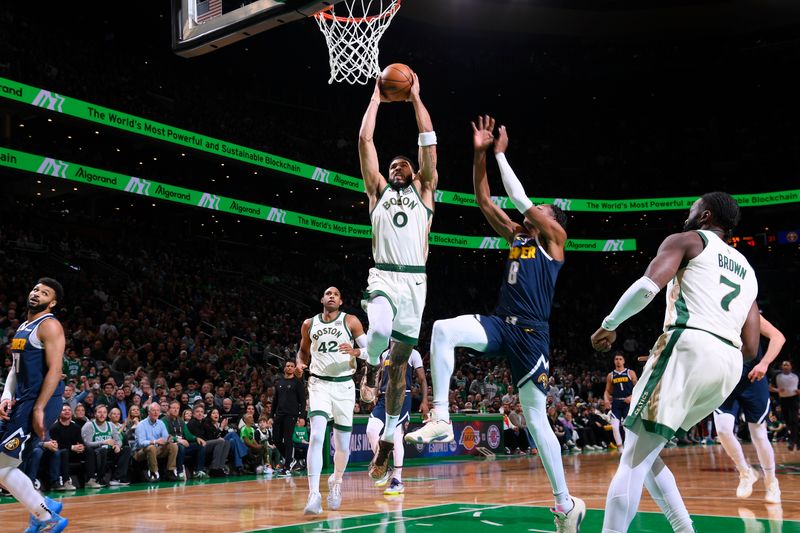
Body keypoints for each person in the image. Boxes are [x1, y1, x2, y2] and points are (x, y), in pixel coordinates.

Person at [404, 117, 583, 532]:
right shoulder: (518, 237)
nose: (532, 209)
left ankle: (565, 503)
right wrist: (479, 154)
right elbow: (485, 200)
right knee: (444, 329)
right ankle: (442, 418)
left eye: (539, 209)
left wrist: (501, 153)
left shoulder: (555, 240)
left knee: (536, 422)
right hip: (502, 323)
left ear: (551, 219)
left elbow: (519, 198)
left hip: (533, 336)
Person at [590, 191, 761, 533]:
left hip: (689, 344)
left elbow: (647, 286)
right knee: (647, 452)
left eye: (693, 209)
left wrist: (609, 325)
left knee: (633, 459)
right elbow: (752, 346)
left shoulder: (689, 240)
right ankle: (685, 529)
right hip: (728, 365)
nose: (689, 213)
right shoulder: (748, 270)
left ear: (705, 216)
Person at [356, 71, 438, 481]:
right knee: (379, 328)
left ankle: (388, 439)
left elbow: (428, 142)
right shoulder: (378, 192)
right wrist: (375, 98)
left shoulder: (426, 193)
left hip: (416, 283)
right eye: (394, 165)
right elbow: (365, 142)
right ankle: (370, 367)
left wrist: (416, 99)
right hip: (384, 276)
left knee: (401, 367)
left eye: (404, 163)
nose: (398, 166)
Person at [0, 278, 69, 531]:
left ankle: (46, 517)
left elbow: (55, 369)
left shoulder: (50, 325)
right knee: (4, 465)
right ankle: (42, 507)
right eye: (36, 289)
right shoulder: (23, 327)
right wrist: (6, 396)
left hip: (42, 401)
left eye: (44, 292)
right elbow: (15, 369)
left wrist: (39, 408)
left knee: (1, 466)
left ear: (52, 302)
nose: (37, 293)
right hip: (23, 401)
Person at [295, 286, 367, 515]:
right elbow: (303, 352)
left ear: (341, 300)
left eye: (336, 294)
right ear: (322, 299)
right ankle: (313, 494)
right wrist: (299, 364)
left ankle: (336, 482)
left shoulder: (351, 321)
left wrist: (356, 353)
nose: (332, 296)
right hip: (318, 384)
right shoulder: (309, 324)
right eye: (328, 293)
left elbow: (373, 352)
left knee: (343, 445)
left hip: (345, 385)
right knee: (316, 435)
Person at [713, 315, 784, 503]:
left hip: (753, 379)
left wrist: (765, 363)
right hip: (727, 379)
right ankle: (745, 472)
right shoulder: (712, 313)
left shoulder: (748, 312)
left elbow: (778, 337)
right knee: (722, 430)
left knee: (759, 435)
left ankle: (771, 481)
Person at [367, 347, 427, 496]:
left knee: (396, 438)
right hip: (384, 397)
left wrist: (425, 400)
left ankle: (397, 480)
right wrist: (375, 391)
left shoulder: (413, 353)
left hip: (403, 396)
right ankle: (384, 466)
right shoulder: (384, 353)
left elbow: (422, 379)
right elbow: (381, 376)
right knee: (371, 430)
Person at [81, 403, 130, 487]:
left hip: (109, 452)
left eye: (104, 412)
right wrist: (103, 442)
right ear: (95, 414)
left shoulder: (110, 425)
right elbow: (87, 443)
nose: (102, 415)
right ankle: (99, 478)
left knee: (126, 449)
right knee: (102, 450)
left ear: (107, 414)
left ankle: (116, 478)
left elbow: (118, 440)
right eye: (99, 412)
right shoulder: (89, 425)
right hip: (95, 452)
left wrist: (117, 445)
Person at [273, 360, 305, 475]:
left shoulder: (297, 382)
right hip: (279, 414)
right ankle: (290, 459)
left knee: (287, 440)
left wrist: (302, 416)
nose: (290, 368)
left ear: (294, 368)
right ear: (284, 368)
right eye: (288, 366)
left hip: (291, 415)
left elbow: (302, 400)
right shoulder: (279, 382)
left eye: (292, 366)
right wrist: (271, 415)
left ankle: (287, 466)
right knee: (276, 439)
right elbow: (275, 401)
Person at [134, 402, 179, 482]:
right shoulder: (141, 424)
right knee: (151, 447)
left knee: (173, 446)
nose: (156, 412)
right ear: (148, 412)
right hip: (140, 452)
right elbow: (141, 443)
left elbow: (165, 438)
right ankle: (154, 472)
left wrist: (168, 440)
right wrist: (155, 441)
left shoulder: (161, 423)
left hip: (157, 449)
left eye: (158, 410)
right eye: (153, 410)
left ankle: (170, 471)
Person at [604, 352, 637, 451]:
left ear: (624, 361)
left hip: (628, 403)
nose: (618, 361)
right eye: (616, 359)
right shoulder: (611, 375)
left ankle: (629, 448)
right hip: (616, 403)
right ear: (614, 361)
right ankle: (620, 449)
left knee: (627, 428)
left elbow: (638, 388)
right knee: (614, 427)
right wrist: (606, 400)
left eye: (620, 359)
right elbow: (607, 391)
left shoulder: (630, 373)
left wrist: (631, 396)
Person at [771, 360, 799, 451]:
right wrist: (777, 390)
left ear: (791, 366)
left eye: (787, 365)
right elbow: (769, 387)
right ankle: (797, 441)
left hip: (794, 400)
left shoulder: (796, 375)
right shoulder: (777, 376)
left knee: (793, 420)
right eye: (784, 365)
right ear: (781, 367)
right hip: (783, 400)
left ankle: (792, 442)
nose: (786, 366)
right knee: (787, 421)